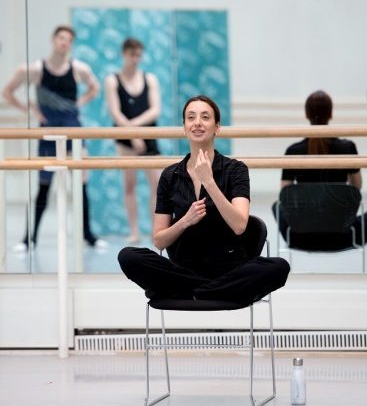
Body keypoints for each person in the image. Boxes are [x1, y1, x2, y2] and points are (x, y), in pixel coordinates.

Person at [118, 95, 290, 304]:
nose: (197, 122)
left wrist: (209, 182)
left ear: (217, 127)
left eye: (205, 117)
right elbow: (159, 240)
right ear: (184, 127)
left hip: (229, 269)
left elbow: (239, 225)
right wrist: (184, 221)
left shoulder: (236, 170)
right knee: (128, 256)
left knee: (279, 267)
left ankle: (194, 292)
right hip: (184, 269)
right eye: (191, 117)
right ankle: (207, 291)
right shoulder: (170, 175)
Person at [2, 25, 107, 251]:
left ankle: (88, 235)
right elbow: (8, 91)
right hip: (48, 132)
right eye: (61, 38)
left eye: (69, 39)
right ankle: (29, 238)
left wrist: (79, 104)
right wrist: (28, 110)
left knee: (81, 186)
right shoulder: (35, 69)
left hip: (74, 131)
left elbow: (94, 87)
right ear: (53, 40)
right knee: (43, 187)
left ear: (71, 44)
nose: (64, 42)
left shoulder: (78, 68)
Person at [273, 90, 367, 251]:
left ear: (306, 114)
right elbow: (357, 186)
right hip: (343, 234)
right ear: (330, 114)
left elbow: (285, 192)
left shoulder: (293, 151)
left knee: (277, 206)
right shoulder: (347, 148)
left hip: (300, 236)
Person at [105, 38, 161, 243]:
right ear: (124, 54)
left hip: (148, 135)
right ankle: (134, 230)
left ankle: (157, 228)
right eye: (132, 55)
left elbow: (155, 110)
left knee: (156, 184)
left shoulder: (150, 79)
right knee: (130, 185)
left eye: (138, 55)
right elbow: (115, 113)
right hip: (125, 137)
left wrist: (136, 129)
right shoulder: (113, 80)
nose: (135, 59)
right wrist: (132, 133)